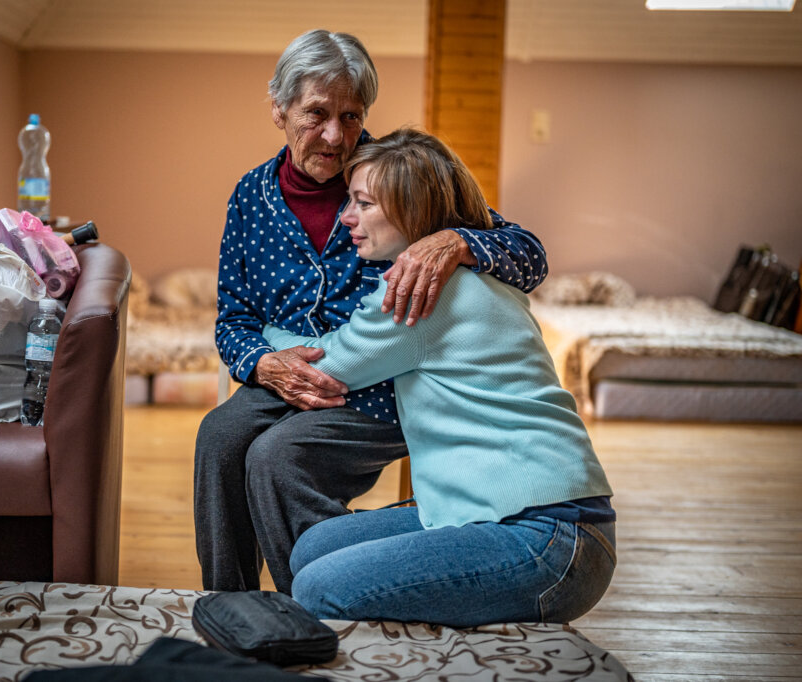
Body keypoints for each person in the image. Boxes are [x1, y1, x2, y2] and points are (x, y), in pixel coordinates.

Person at [195, 29, 550, 596]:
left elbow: (529, 256)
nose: (336, 136)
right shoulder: (249, 197)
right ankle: (230, 605)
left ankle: (317, 607)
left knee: (278, 457)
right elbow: (232, 318)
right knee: (218, 435)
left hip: (384, 384)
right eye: (316, 114)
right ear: (280, 110)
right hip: (290, 373)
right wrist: (264, 365)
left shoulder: (396, 176)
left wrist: (456, 239)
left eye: (352, 116)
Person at [261, 127, 615, 627]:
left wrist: (259, 337)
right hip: (521, 517)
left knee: (319, 587)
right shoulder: (473, 274)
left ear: (411, 211)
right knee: (313, 549)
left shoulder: (420, 295)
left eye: (363, 204)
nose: (346, 219)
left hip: (549, 538)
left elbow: (323, 366)